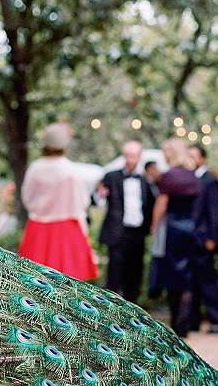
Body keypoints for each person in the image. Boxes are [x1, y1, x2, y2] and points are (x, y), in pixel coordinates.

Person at [19, 122, 98, 280]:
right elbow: (81, 202)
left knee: (34, 279)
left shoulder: (35, 168)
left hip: (38, 230)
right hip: (66, 230)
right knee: (68, 282)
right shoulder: (71, 170)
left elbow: (27, 198)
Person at [149, 138, 200, 337]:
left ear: (174, 152)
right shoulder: (192, 175)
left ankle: (174, 322)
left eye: (166, 151)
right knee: (186, 277)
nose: (164, 155)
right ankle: (183, 322)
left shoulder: (169, 176)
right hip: (189, 228)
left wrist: (154, 227)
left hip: (171, 229)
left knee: (171, 278)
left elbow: (161, 204)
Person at [97, 141, 155, 303]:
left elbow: (150, 206)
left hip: (137, 232)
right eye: (129, 155)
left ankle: (132, 306)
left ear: (140, 157)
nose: (131, 159)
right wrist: (100, 195)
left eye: (135, 155)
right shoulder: (111, 176)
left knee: (135, 272)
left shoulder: (145, 180)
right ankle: (110, 306)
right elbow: (98, 200)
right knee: (114, 273)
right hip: (117, 232)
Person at [188, 145, 218, 333]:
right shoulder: (189, 179)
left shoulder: (210, 180)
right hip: (190, 239)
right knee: (192, 281)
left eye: (193, 156)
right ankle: (193, 320)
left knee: (208, 281)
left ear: (202, 159)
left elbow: (215, 212)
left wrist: (213, 237)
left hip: (204, 239)